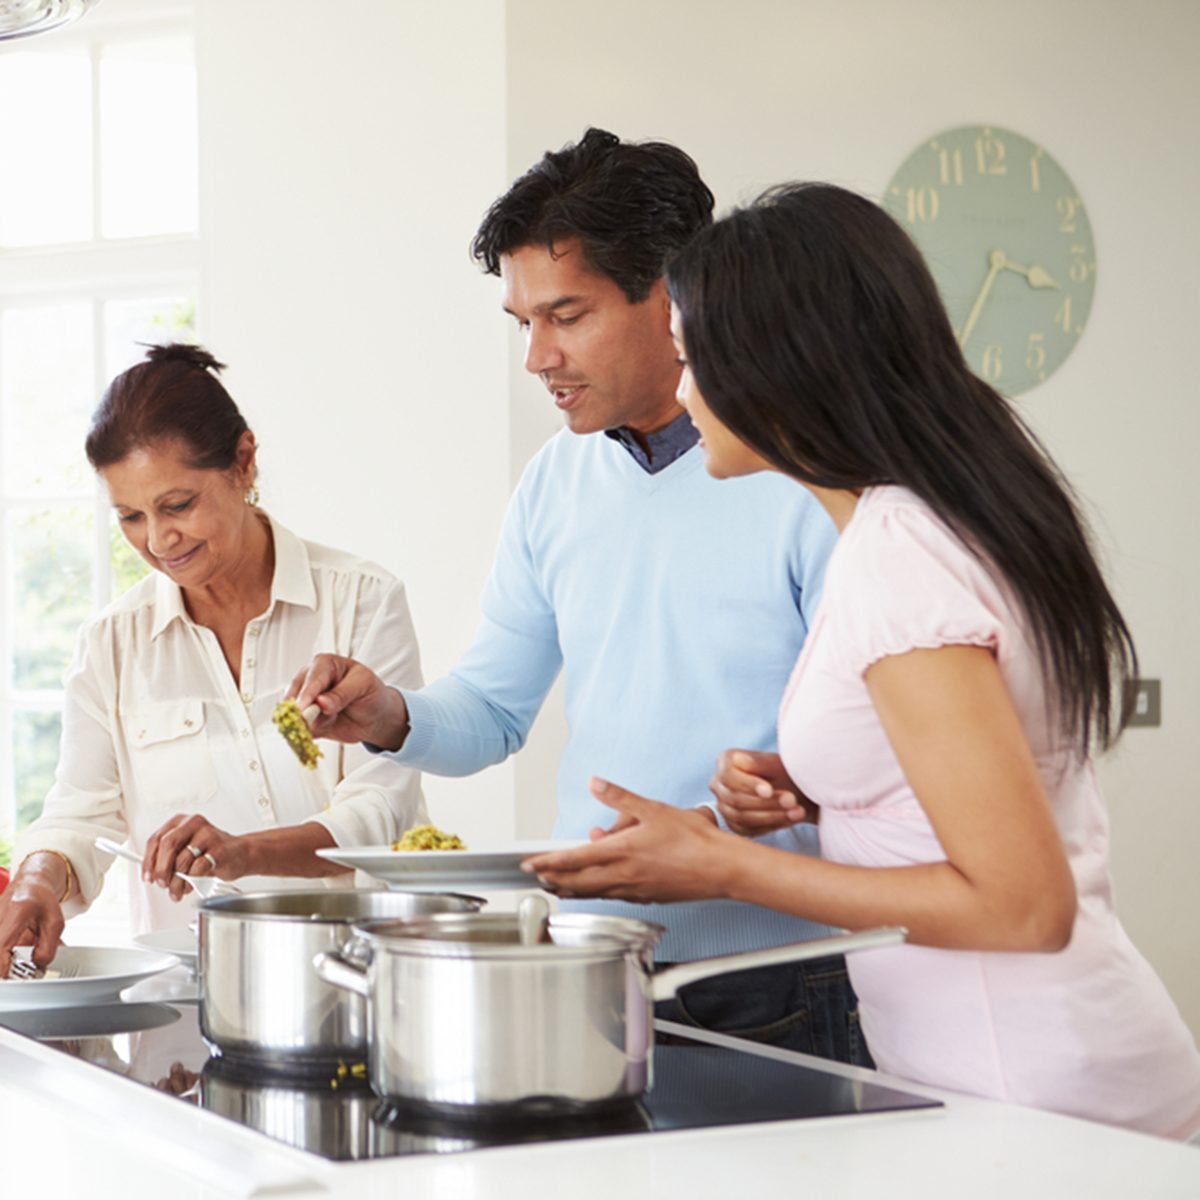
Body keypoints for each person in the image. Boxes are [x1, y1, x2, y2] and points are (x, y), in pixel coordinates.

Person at [524, 182, 1200, 1139]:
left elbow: (1023, 909)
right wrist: (820, 792)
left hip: (1036, 1090)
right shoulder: (927, 519)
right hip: (1016, 1078)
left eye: (694, 360)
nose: (685, 392)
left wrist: (723, 865)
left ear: (776, 365)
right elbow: (967, 786)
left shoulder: (899, 554)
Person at [290, 129, 865, 1063]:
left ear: (674, 298)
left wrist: (786, 794)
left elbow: (884, 756)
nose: (537, 357)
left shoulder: (808, 480)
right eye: (523, 322)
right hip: (589, 962)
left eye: (565, 315)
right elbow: (491, 711)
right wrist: (389, 715)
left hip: (778, 973)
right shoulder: (556, 480)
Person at [0, 344, 426, 977]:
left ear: (243, 461)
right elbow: (79, 813)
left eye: (177, 505)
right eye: (130, 516)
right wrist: (38, 878)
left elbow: (380, 811)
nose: (157, 539)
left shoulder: (361, 600)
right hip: (190, 994)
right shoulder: (111, 642)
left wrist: (242, 853)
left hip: (363, 979)